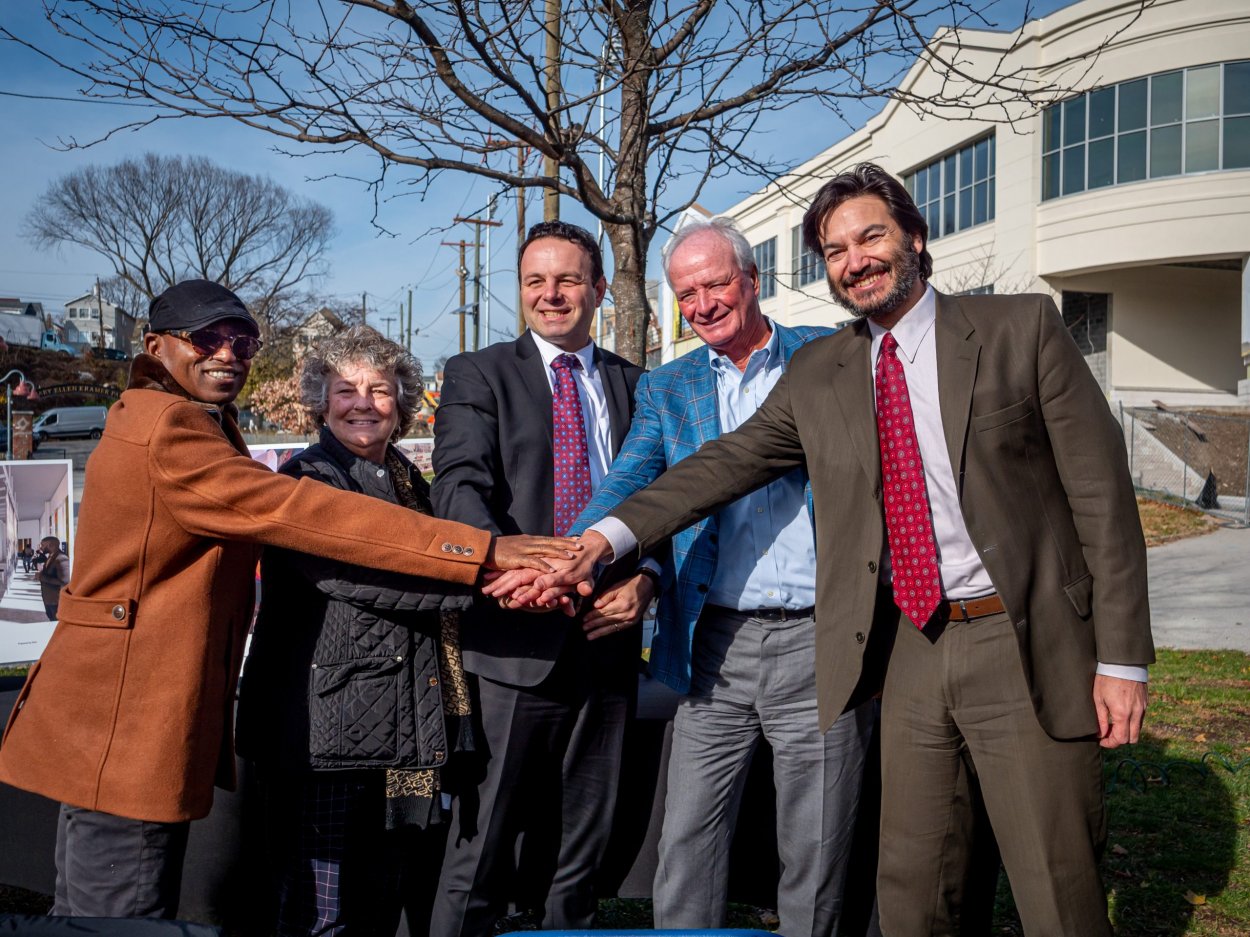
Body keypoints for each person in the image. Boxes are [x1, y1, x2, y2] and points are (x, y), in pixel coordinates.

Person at [498, 163, 1154, 937]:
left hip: (1000, 634)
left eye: (870, 235)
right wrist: (594, 545)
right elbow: (719, 467)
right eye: (836, 250)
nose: (855, 259)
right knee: (914, 882)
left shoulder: (1014, 329)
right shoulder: (828, 370)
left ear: (913, 235)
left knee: (1051, 880)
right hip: (902, 643)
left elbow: (1103, 501)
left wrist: (1120, 658)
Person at [0, 279, 577, 921]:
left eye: (243, 340)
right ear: (155, 345)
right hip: (132, 721)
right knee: (123, 914)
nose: (230, 353)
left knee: (103, 909)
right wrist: (487, 556)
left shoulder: (190, 420)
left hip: (144, 715)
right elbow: (305, 515)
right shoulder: (172, 426)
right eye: (207, 338)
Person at [572, 218, 872, 937]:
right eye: (685, 293)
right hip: (715, 643)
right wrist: (577, 551)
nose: (701, 304)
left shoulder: (832, 357)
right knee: (687, 839)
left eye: (713, 285)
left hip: (818, 640)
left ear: (751, 281)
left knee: (816, 842)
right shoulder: (669, 387)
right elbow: (630, 483)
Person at [430, 221, 648, 937]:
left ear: (597, 289)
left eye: (566, 279)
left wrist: (646, 581)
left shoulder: (639, 384)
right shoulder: (477, 372)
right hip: (512, 643)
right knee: (481, 849)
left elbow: (667, 499)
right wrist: (501, 553)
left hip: (607, 646)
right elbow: (460, 483)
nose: (550, 294)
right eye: (534, 280)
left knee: (581, 854)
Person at [236, 326, 469, 937]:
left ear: (402, 402)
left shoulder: (410, 481)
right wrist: (478, 582)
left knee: (384, 894)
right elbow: (351, 576)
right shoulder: (305, 479)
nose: (364, 403)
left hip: (407, 727)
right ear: (321, 402)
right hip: (326, 731)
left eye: (380, 390)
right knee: (319, 909)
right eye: (346, 390)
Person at [35, 536, 70, 621]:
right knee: (51, 619)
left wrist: (41, 577)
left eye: (42, 545)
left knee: (56, 622)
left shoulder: (62, 558)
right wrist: (42, 572)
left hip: (56, 600)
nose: (40, 547)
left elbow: (64, 581)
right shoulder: (51, 556)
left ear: (51, 545)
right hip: (49, 598)